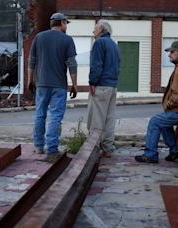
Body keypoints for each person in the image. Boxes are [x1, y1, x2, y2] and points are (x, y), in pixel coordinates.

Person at [135, 40, 178, 163]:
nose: (169, 55)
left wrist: (168, 105)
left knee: (155, 121)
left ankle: (150, 154)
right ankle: (175, 150)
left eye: (172, 52)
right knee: (164, 123)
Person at [28, 12, 78, 162]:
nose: (66, 26)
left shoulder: (39, 37)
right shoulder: (67, 40)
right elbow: (72, 65)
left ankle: (38, 146)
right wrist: (74, 85)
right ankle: (52, 149)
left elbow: (32, 61)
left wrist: (30, 81)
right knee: (55, 116)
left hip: (42, 84)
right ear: (61, 22)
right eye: (66, 23)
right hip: (59, 85)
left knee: (40, 114)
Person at [87, 19, 120, 158]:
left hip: (101, 85)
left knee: (96, 119)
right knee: (109, 119)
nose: (93, 31)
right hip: (112, 86)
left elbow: (96, 65)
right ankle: (108, 148)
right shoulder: (114, 45)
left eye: (95, 28)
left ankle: (92, 148)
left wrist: (92, 82)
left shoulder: (99, 43)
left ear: (101, 30)